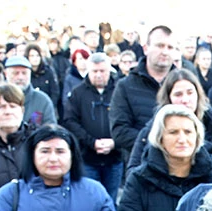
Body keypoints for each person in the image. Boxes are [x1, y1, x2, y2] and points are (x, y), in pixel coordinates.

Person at [0, 124, 118, 211]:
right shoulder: (9, 195)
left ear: (72, 155)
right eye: (45, 151)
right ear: (32, 155)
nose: (53, 158)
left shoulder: (94, 191)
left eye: (60, 151)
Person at [127, 68, 212, 183]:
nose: (185, 100)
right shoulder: (151, 131)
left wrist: (209, 181)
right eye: (178, 94)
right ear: (168, 98)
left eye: (190, 93)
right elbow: (133, 173)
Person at [62, 52, 124, 200]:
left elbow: (127, 120)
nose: (98, 75)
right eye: (94, 71)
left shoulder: (120, 91)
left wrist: (114, 142)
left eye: (102, 71)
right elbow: (70, 122)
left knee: (111, 200)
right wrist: (92, 142)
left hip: (114, 157)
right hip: (88, 157)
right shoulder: (78, 93)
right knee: (90, 199)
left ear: (109, 71)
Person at [110, 25, 177, 156]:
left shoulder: (184, 85)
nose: (165, 51)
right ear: (146, 48)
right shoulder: (125, 86)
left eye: (170, 47)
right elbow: (120, 132)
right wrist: (160, 143)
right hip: (141, 166)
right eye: (160, 46)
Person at [0, 56, 57, 129]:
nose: (20, 77)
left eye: (24, 73)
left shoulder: (42, 101)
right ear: (6, 74)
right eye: (15, 73)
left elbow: (50, 130)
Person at [26, 43, 61, 110]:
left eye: (37, 55)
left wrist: (50, 106)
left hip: (47, 108)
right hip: (29, 109)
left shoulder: (48, 71)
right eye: (32, 56)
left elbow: (55, 92)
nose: (35, 58)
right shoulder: (25, 73)